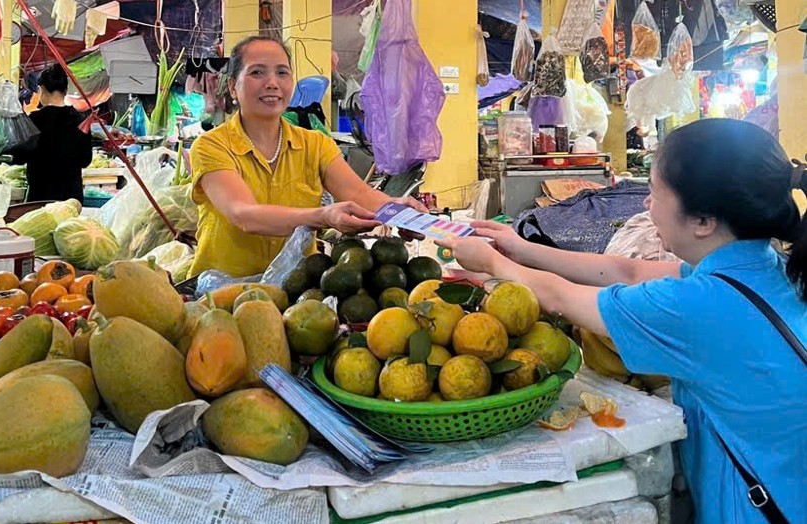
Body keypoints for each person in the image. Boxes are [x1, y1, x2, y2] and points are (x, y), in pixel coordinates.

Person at [439, 119, 806, 523]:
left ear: (703, 220)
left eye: (654, 191)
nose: (646, 205)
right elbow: (627, 271)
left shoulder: (696, 308)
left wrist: (490, 261)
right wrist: (520, 249)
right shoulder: (767, 268)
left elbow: (562, 300)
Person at [188, 36, 424, 278]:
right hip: (220, 296)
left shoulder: (315, 144)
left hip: (298, 294)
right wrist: (322, 217)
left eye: (282, 73)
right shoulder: (211, 146)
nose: (272, 83)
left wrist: (396, 209)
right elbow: (244, 214)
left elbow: (358, 194)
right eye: (257, 72)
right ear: (232, 87)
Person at [11, 63, 92, 202]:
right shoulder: (80, 120)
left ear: (40, 89)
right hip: (71, 197)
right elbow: (85, 161)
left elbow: (20, 156)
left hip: (41, 195)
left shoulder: (35, 119)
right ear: (65, 90)